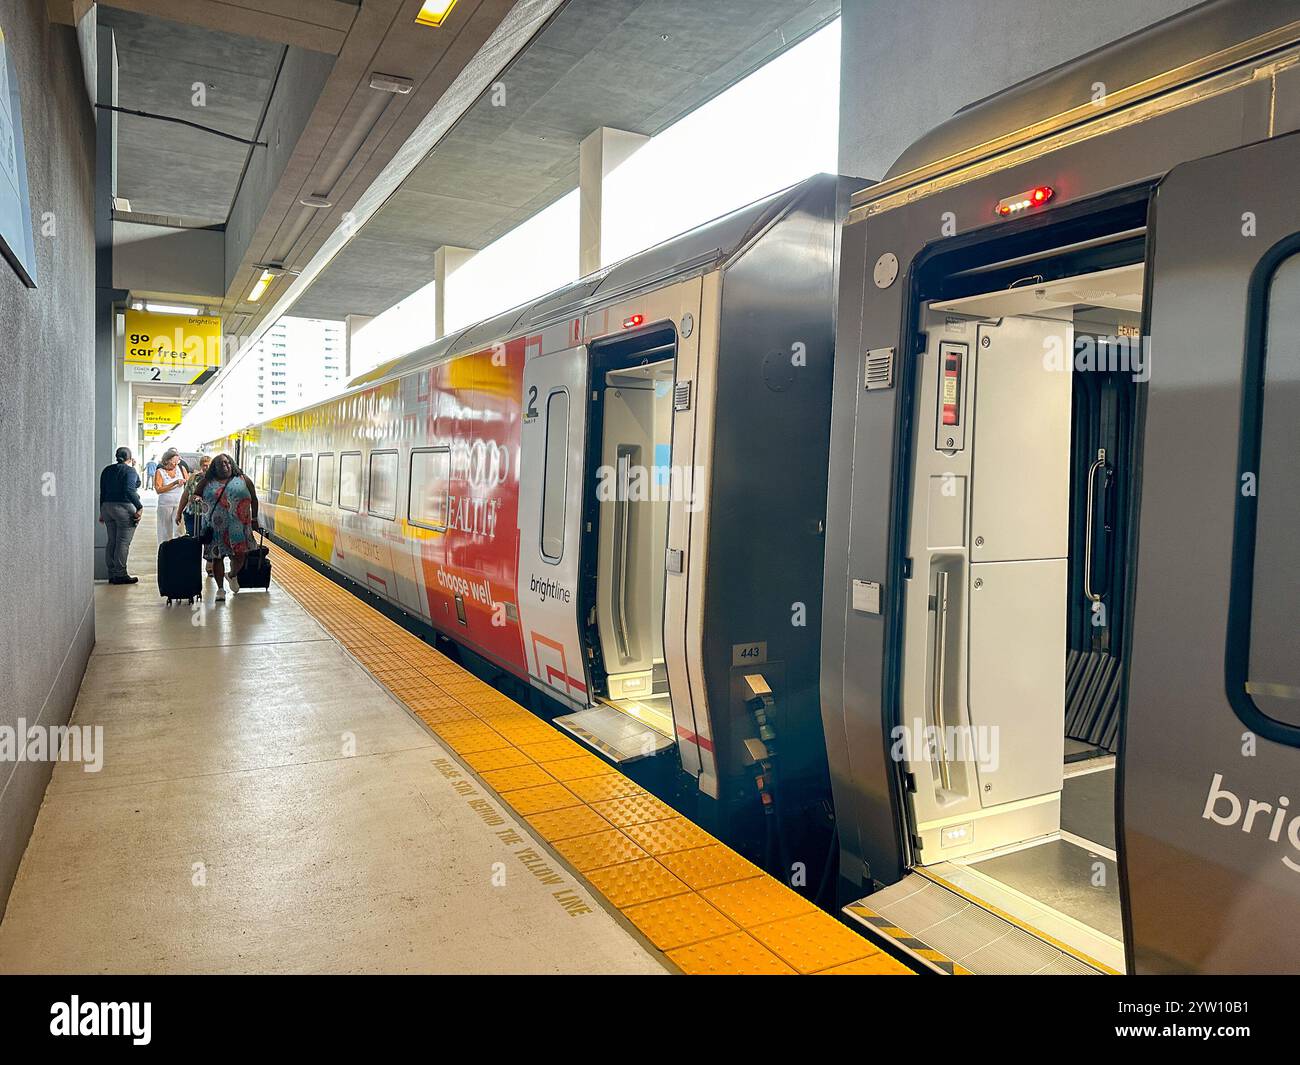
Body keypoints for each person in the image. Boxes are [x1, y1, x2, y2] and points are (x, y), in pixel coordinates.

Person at [176, 452, 259, 602]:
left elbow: (254, 498)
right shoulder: (207, 481)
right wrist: (196, 498)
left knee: (240, 555)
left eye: (227, 463)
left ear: (232, 464)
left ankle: (232, 575)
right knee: (217, 557)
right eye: (221, 464)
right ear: (215, 467)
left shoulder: (243, 479)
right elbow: (195, 494)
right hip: (215, 527)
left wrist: (254, 519)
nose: (225, 466)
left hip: (239, 526)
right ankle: (220, 589)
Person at [99, 446, 143, 585]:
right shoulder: (130, 471)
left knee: (112, 541)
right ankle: (121, 574)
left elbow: (103, 491)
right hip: (123, 507)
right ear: (130, 458)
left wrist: (102, 511)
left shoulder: (107, 470)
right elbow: (132, 488)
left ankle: (112, 574)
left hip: (107, 507)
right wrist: (139, 507)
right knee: (123, 542)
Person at [154, 449, 186, 542]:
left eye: (177, 462)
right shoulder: (160, 472)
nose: (175, 464)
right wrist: (174, 483)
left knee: (180, 530)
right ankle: (164, 551)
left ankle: (178, 551)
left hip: (179, 503)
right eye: (173, 462)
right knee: (165, 530)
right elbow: (158, 489)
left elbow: (188, 482)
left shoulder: (181, 469)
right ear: (166, 461)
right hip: (165, 504)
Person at [179, 455, 211, 537]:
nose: (207, 467)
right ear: (201, 466)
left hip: (207, 516)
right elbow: (185, 496)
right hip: (192, 514)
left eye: (209, 465)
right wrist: (179, 513)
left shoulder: (215, 480)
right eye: (205, 465)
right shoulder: (193, 478)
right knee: (192, 539)